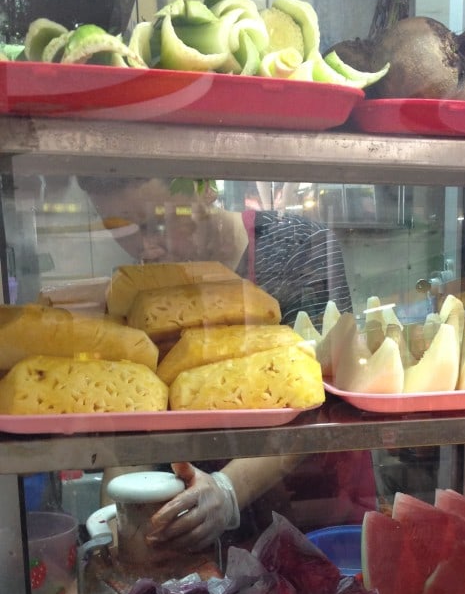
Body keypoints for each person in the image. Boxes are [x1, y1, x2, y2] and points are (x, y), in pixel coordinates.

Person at [80, 174, 377, 554]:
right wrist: (115, 513)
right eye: (119, 228)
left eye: (157, 222)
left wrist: (227, 491)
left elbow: (318, 392)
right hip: (202, 529)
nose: (147, 248)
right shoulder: (145, 283)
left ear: (206, 190)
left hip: (313, 512)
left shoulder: (299, 247)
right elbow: (140, 405)